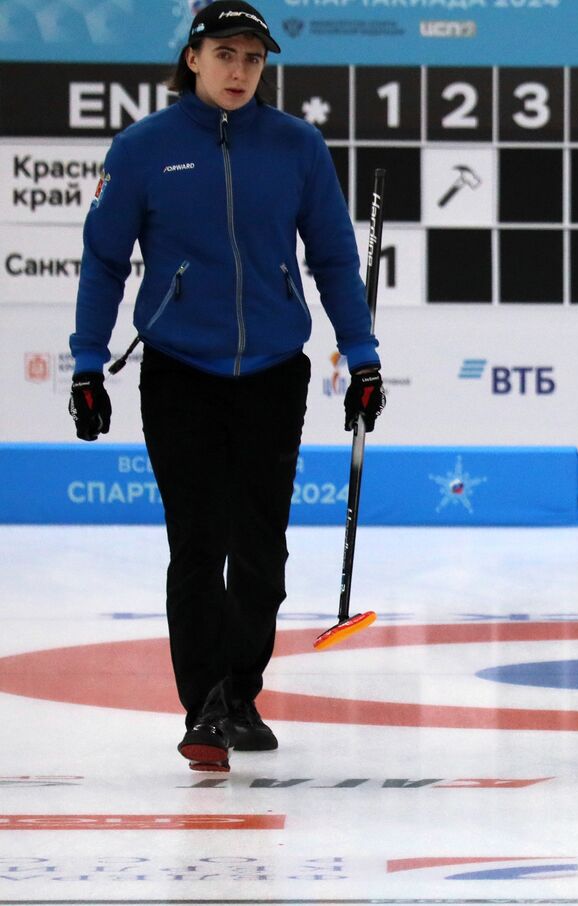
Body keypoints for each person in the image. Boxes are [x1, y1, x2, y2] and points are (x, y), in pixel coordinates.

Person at [66, 0, 387, 772]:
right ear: (193, 58)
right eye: (225, 55)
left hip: (274, 371)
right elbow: (104, 260)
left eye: (253, 58)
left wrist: (363, 354)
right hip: (180, 373)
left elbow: (336, 260)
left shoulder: (297, 146)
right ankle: (204, 704)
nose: (240, 71)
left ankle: (241, 689)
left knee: (261, 551)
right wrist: (86, 362)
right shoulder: (144, 148)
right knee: (197, 544)